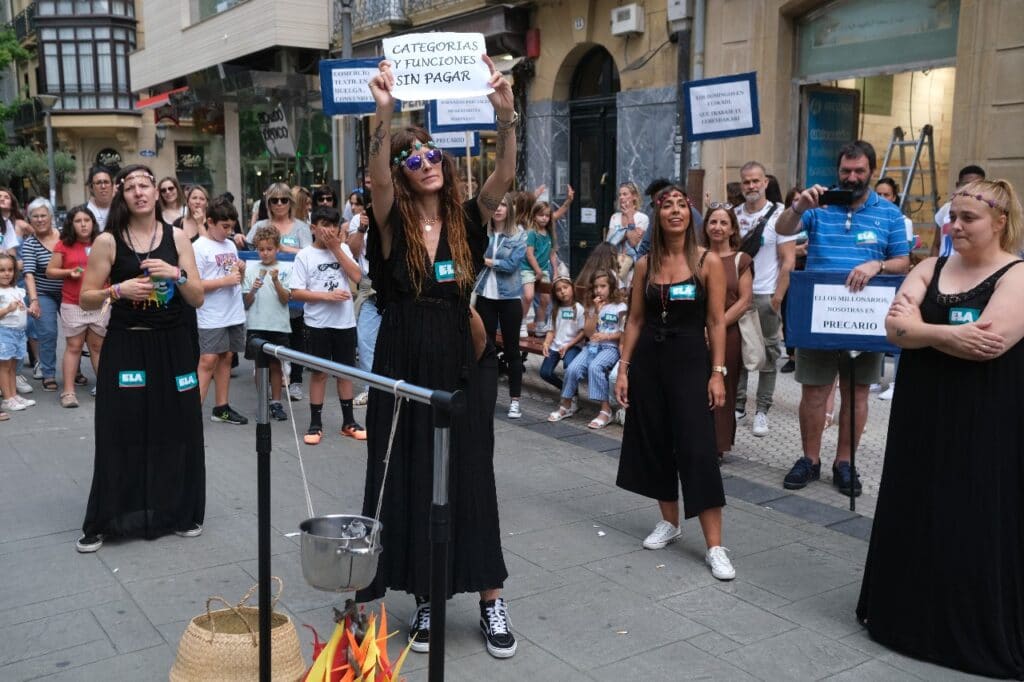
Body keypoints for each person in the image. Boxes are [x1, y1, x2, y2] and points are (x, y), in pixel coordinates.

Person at [362, 54, 518, 659]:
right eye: (412, 158)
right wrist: (383, 112)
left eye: (432, 154)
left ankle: (490, 599)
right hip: (402, 363)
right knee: (409, 475)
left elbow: (504, 175)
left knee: (471, 475)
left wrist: (505, 118)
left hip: (461, 363)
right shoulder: (390, 224)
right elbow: (376, 179)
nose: (425, 162)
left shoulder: (466, 220)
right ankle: (427, 597)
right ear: (401, 174)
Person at [857, 179, 1024, 679]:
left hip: (984, 417)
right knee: (917, 505)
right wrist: (948, 334)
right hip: (922, 415)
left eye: (967, 219)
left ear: (1000, 221)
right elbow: (894, 329)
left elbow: (989, 344)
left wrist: (922, 332)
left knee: (971, 512)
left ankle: (965, 627)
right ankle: (908, 618)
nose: (954, 226)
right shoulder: (930, 266)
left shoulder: (1016, 275)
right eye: (952, 216)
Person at [76, 164, 205, 553]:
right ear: (122, 195)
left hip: (173, 345)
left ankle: (181, 513)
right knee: (120, 428)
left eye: (144, 184)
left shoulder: (178, 236)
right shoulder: (108, 241)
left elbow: (197, 296)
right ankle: (106, 519)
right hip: (127, 345)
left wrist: (177, 274)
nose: (138, 192)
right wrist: (118, 289)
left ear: (156, 190)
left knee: (177, 427)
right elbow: (85, 297)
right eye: (129, 187)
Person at [774, 141, 911, 496]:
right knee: (814, 393)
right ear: (838, 171)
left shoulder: (890, 215)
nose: (851, 177)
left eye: (859, 171)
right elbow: (783, 230)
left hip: (866, 318)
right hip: (820, 315)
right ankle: (810, 459)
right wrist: (798, 205)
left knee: (857, 393)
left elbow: (903, 261)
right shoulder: (818, 208)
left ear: (871, 172)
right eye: (845, 171)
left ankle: (845, 462)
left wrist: (876, 264)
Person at [614, 184, 735, 581]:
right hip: (649, 360)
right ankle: (670, 522)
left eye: (682, 205)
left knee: (697, 449)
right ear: (658, 215)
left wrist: (717, 373)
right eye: (668, 206)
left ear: (691, 214)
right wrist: (624, 367)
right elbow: (635, 320)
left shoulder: (707, 263)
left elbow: (716, 322)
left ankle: (715, 546)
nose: (675, 211)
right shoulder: (646, 264)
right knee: (656, 442)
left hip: (689, 362)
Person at [289, 205, 365, 444]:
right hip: (316, 323)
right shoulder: (304, 255)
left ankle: (349, 422)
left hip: (344, 322)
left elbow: (359, 279)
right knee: (319, 374)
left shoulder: (342, 248)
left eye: (333, 225)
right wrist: (326, 297)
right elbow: (296, 293)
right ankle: (315, 424)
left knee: (345, 372)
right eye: (324, 225)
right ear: (313, 228)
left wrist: (336, 248)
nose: (329, 230)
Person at [732, 161, 797, 436]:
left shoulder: (781, 215)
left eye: (756, 181)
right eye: (746, 182)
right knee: (740, 352)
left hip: (765, 294)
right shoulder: (733, 214)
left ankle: (762, 410)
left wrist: (777, 298)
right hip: (738, 294)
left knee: (769, 354)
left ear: (765, 182)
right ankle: (737, 406)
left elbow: (788, 260)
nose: (751, 186)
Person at [242, 182, 313, 400]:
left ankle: (296, 381)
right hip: (265, 301)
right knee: (267, 354)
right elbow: (250, 247)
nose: (279, 204)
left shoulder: (300, 226)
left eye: (284, 199)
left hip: (292, 293)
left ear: (290, 203)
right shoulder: (261, 225)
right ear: (268, 203)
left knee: (295, 341)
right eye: (274, 200)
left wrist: (284, 249)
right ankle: (268, 396)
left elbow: (309, 253)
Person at [701, 204, 752, 460]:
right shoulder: (697, 257)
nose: (718, 227)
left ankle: (718, 445)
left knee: (724, 387)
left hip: (729, 334)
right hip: (696, 331)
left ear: (732, 228)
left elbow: (744, 300)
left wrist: (716, 325)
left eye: (723, 222)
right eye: (713, 222)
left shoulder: (740, 259)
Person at [194, 197, 248, 425]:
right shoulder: (198, 247)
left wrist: (241, 272)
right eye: (224, 226)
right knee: (207, 360)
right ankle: (191, 414)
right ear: (210, 222)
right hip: (211, 313)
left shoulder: (230, 245)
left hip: (232, 311)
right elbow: (194, 285)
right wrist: (226, 280)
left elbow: (236, 280)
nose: (229, 231)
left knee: (227, 356)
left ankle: (221, 407)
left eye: (231, 226)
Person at [548, 269, 625, 428]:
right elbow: (589, 332)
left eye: (603, 286)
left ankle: (605, 411)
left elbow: (624, 332)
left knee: (595, 367)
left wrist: (606, 336)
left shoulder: (620, 307)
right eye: (596, 287)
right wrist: (596, 312)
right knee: (573, 368)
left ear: (611, 286)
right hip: (592, 346)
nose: (598, 290)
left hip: (610, 348)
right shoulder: (592, 305)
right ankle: (567, 405)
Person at [46, 206, 107, 407]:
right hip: (73, 302)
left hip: (100, 302)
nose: (83, 224)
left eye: (87, 220)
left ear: (93, 223)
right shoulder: (64, 245)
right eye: (78, 221)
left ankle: (106, 389)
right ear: (71, 224)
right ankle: (68, 392)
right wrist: (68, 272)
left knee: (98, 347)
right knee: (74, 347)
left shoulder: (104, 242)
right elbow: (50, 271)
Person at [474, 193, 527, 418]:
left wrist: (485, 261)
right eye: (495, 205)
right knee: (485, 348)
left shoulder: (519, 235)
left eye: (503, 205)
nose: (498, 209)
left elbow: (511, 265)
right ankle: (485, 395)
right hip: (485, 295)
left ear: (509, 209)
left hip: (509, 299)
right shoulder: (482, 233)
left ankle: (515, 400)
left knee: (513, 350)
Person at [242, 225, 292, 421]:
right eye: (261, 249)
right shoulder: (251, 269)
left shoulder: (286, 268)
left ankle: (276, 402)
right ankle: (263, 401)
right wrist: (253, 289)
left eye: (269, 249)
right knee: (260, 365)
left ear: (277, 248)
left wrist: (276, 281)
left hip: (278, 324)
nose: (265, 253)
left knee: (275, 364)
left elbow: (285, 299)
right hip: (256, 323)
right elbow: (246, 302)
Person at [872, 177, 915, 400]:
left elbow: (901, 255)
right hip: (876, 282)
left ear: (894, 197)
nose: (881, 199)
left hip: (895, 280)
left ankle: (897, 381)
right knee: (875, 328)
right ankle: (874, 378)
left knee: (896, 330)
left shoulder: (901, 220)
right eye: (878, 194)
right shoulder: (870, 217)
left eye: (886, 194)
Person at [22, 198, 63, 392]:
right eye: (35, 216)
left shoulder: (64, 237)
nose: (39, 219)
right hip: (43, 292)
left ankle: (76, 371)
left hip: (69, 291)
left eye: (43, 215)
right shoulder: (30, 243)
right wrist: (34, 301)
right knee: (47, 332)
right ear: (30, 220)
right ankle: (48, 373)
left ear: (51, 217)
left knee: (76, 332)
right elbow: (28, 274)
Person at [344, 190, 379, 407]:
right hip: (368, 285)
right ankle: (371, 388)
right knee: (365, 339)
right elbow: (352, 250)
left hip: (394, 285)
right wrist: (362, 227)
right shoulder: (359, 218)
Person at [0, 253, 33, 417]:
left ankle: (13, 395)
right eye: (2, 270)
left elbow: (21, 309)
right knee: (4, 367)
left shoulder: (16, 289)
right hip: (4, 332)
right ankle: (7, 398)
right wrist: (7, 309)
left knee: (13, 367)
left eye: (10, 270)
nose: (7, 273)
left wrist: (28, 310)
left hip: (18, 333)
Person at [539, 275, 584, 390]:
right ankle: (566, 389)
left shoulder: (579, 308)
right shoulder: (555, 309)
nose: (563, 292)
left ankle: (572, 396)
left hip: (573, 346)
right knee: (545, 373)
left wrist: (568, 345)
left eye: (565, 287)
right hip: (556, 346)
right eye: (558, 290)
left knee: (569, 366)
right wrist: (546, 343)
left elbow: (583, 332)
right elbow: (551, 330)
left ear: (572, 288)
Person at [931, 164, 985, 258]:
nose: (970, 190)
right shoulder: (945, 209)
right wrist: (933, 269)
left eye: (976, 186)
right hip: (943, 268)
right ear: (957, 185)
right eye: (966, 185)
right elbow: (936, 245)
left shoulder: (986, 213)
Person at [605, 181, 649, 286]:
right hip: (615, 263)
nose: (621, 197)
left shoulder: (642, 218)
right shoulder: (615, 217)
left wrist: (629, 218)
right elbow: (609, 242)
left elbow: (634, 242)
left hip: (633, 266)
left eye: (625, 194)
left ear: (634, 196)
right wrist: (627, 233)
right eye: (620, 195)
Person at [1, 187, 29, 256]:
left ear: (12, 205)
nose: (2, 199)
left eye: (6, 197)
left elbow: (12, 252)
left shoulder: (13, 224)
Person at [86, 166, 114, 231]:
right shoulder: (83, 212)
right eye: (98, 183)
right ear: (91, 188)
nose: (103, 186)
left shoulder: (122, 210)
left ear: (112, 186)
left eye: (106, 182)